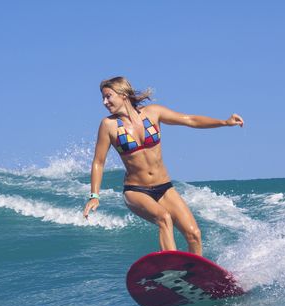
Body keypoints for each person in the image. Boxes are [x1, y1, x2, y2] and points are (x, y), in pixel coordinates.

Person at [83, 77, 244, 256]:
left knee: (194, 235)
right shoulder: (108, 125)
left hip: (164, 188)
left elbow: (190, 120)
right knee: (164, 218)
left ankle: (194, 276)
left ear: (123, 95)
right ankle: (172, 269)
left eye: (108, 96)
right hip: (136, 190)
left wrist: (224, 122)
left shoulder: (153, 113)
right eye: (103, 98)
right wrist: (94, 196)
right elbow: (99, 161)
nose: (105, 102)